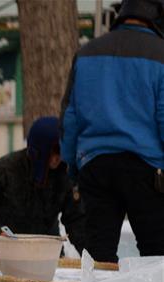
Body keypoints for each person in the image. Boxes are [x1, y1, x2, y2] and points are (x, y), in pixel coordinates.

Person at [60, 0, 164, 262]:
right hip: (147, 170)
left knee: (99, 255)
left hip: (94, 166)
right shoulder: (160, 53)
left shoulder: (86, 53)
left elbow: (70, 116)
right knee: (156, 257)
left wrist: (72, 167)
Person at [0, 116, 86, 253]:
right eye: (54, 151)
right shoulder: (6, 169)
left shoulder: (64, 174)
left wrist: (91, 256)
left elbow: (76, 220)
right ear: (39, 150)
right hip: (7, 251)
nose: (58, 157)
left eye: (61, 151)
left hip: (47, 253)